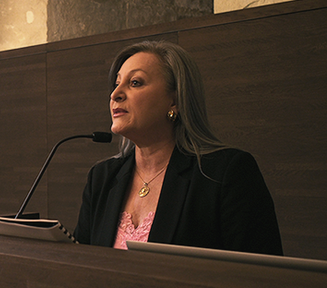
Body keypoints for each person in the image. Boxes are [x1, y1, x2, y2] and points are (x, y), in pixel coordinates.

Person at [73, 40, 283, 255]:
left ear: (175, 99)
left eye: (135, 82)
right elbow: (81, 264)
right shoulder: (102, 178)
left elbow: (261, 277)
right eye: (116, 83)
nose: (115, 94)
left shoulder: (226, 173)